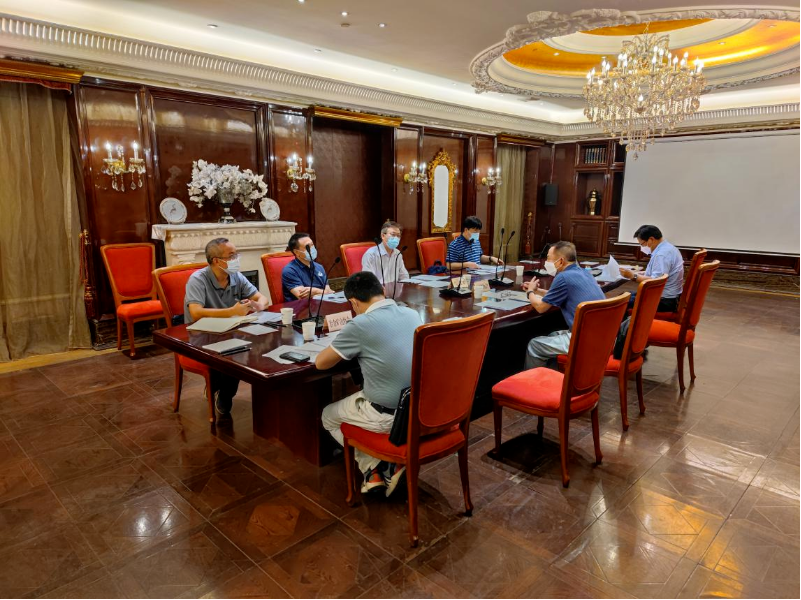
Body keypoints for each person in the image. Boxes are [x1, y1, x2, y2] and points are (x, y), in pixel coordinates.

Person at [316, 271, 422, 497]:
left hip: (388, 417)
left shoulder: (360, 324)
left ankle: (374, 466)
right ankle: (381, 469)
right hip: (418, 408)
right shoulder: (412, 314)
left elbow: (321, 363)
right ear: (382, 290)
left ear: (353, 302)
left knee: (327, 415)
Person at [184, 237, 269, 417]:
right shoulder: (198, 279)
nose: (236, 259)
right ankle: (223, 393)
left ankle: (220, 389)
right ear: (216, 261)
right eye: (231, 255)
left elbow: (262, 298)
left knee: (256, 343)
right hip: (202, 334)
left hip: (230, 331)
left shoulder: (236, 276)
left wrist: (259, 305)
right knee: (237, 353)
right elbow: (195, 312)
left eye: (236, 254)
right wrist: (232, 311)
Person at [521, 240, 604, 369]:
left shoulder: (563, 277)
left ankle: (534, 380)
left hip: (584, 339)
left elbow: (541, 307)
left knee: (534, 345)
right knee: (552, 336)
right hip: (603, 334)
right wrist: (538, 291)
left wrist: (530, 292)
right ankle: (554, 375)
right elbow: (561, 294)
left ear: (560, 261)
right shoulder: (584, 272)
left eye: (548, 258)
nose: (546, 262)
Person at [619, 225, 685, 312]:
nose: (642, 247)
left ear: (651, 239)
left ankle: (627, 321)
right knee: (624, 295)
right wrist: (640, 273)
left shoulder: (661, 255)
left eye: (642, 244)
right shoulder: (668, 248)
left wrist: (633, 276)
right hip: (668, 297)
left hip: (664, 301)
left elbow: (656, 281)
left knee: (621, 303)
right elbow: (658, 273)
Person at [282, 232, 333, 301]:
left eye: (312, 245)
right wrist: (323, 292)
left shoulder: (319, 267)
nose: (312, 248)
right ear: (297, 252)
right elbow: (303, 297)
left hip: (322, 304)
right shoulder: (290, 271)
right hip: (300, 306)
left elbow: (329, 292)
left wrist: (315, 291)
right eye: (307, 247)